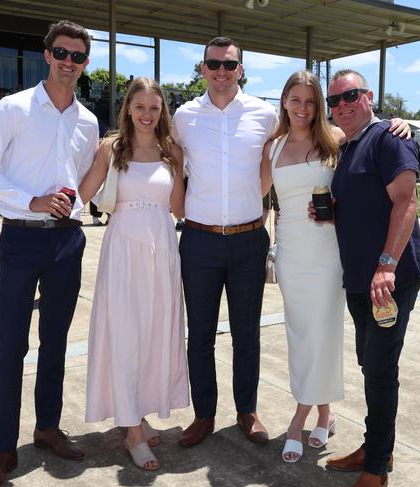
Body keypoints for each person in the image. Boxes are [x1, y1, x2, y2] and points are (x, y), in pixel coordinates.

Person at [0, 20, 98, 487]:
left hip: (67, 240)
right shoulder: (15, 107)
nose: (69, 62)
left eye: (78, 56)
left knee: (57, 342)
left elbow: (81, 178)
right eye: (61, 53)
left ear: (85, 64)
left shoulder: (87, 120)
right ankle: (3, 449)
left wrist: (70, 205)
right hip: (21, 237)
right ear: (47, 55)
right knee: (12, 345)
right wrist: (33, 201)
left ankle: (47, 428)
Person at [260, 71, 410, 464]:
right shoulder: (271, 148)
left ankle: (300, 417)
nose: (303, 108)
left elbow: (373, 138)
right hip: (291, 253)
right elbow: (253, 196)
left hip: (329, 253)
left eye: (312, 101)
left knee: (324, 334)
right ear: (284, 101)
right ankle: (325, 412)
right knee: (300, 335)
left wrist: (400, 123)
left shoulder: (336, 139)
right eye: (296, 99)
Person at [314, 69, 420, 487]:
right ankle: (378, 445)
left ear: (368, 96)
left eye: (350, 96)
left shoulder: (389, 138)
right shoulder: (349, 146)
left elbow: (407, 202)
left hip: (389, 278)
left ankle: (377, 467)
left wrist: (386, 264)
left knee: (380, 368)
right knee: (371, 365)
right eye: (334, 101)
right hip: (360, 278)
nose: (341, 106)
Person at [172, 36, 277, 448]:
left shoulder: (265, 114)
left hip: (249, 240)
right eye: (213, 64)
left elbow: (310, 132)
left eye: (229, 65)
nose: (220, 71)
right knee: (199, 333)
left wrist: (386, 125)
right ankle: (203, 414)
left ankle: (246, 411)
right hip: (199, 240)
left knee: (246, 333)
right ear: (202, 69)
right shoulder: (183, 116)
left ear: (241, 70)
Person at [79, 76, 188, 471]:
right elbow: (84, 192)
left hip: (162, 249)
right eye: (139, 106)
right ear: (127, 108)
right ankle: (132, 432)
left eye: (154, 108)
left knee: (153, 333)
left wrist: (183, 166)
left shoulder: (170, 151)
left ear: (163, 112)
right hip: (123, 248)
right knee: (125, 334)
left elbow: (178, 209)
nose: (146, 114)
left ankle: (137, 412)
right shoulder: (112, 149)